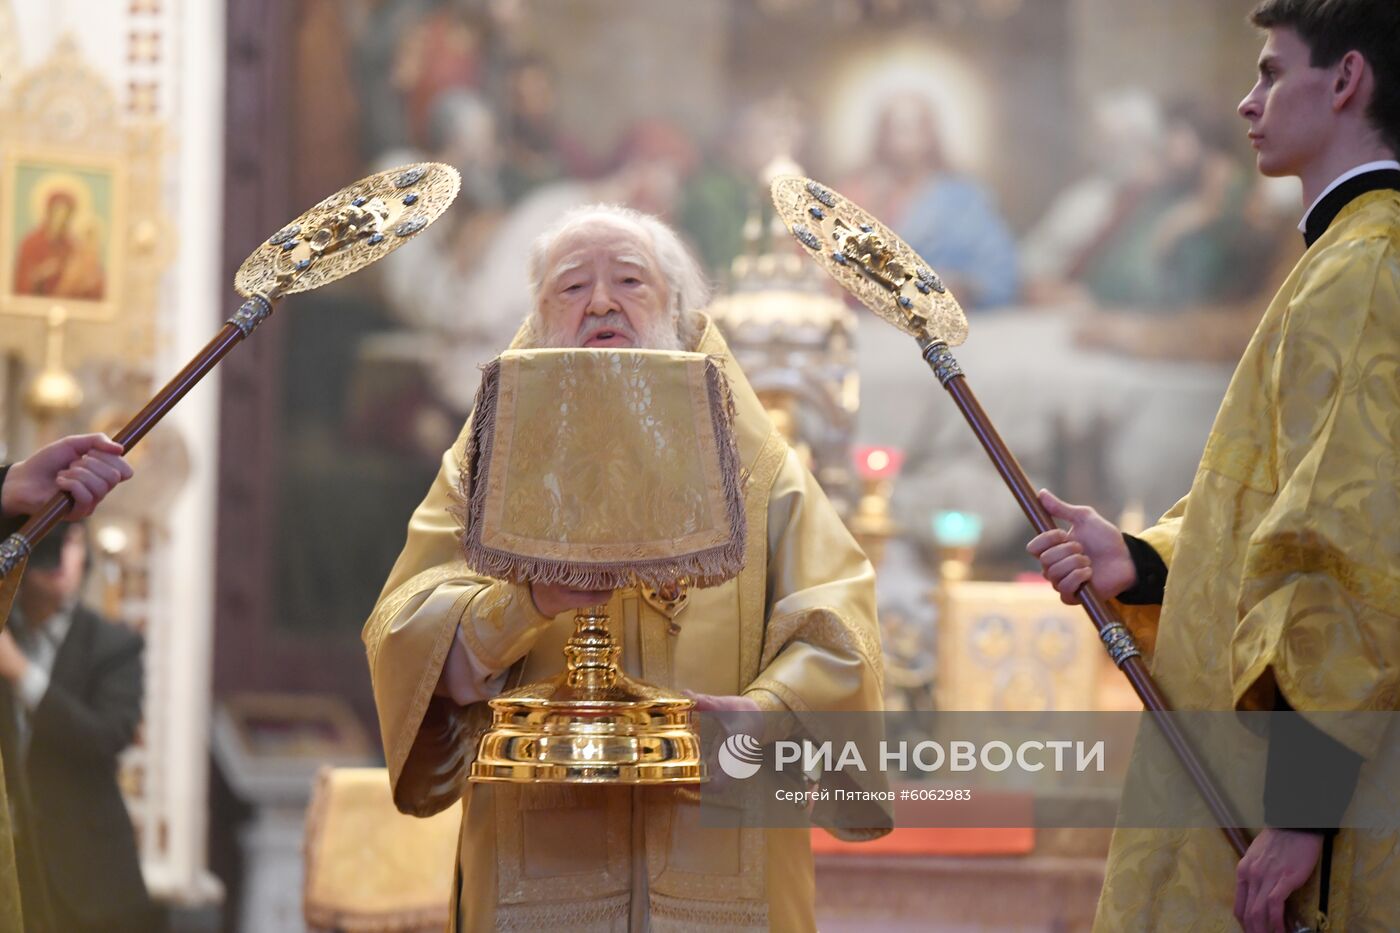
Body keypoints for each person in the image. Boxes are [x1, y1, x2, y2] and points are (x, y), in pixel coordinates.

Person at [364, 204, 884, 930]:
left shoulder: (762, 472)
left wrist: (763, 715)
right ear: (539, 318)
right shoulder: (482, 466)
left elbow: (838, 626)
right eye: (572, 287)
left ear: (677, 306)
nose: (602, 302)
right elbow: (403, 632)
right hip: (540, 870)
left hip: (720, 859)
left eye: (630, 281)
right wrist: (526, 601)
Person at [1027, 2, 1400, 930]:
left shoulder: (1366, 267)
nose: (1247, 101)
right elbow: (1272, 507)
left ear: (1347, 79)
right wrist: (1143, 559)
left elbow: (1354, 554)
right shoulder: (1348, 256)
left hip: (1338, 796)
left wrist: (1303, 810)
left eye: (1272, 72)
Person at [0, 432, 134, 933]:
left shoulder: (115, 644)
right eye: (49, 544)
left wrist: (22, 674)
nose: (58, 560)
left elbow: (103, 739)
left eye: (69, 544)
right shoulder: (5, 619)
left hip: (86, 879)